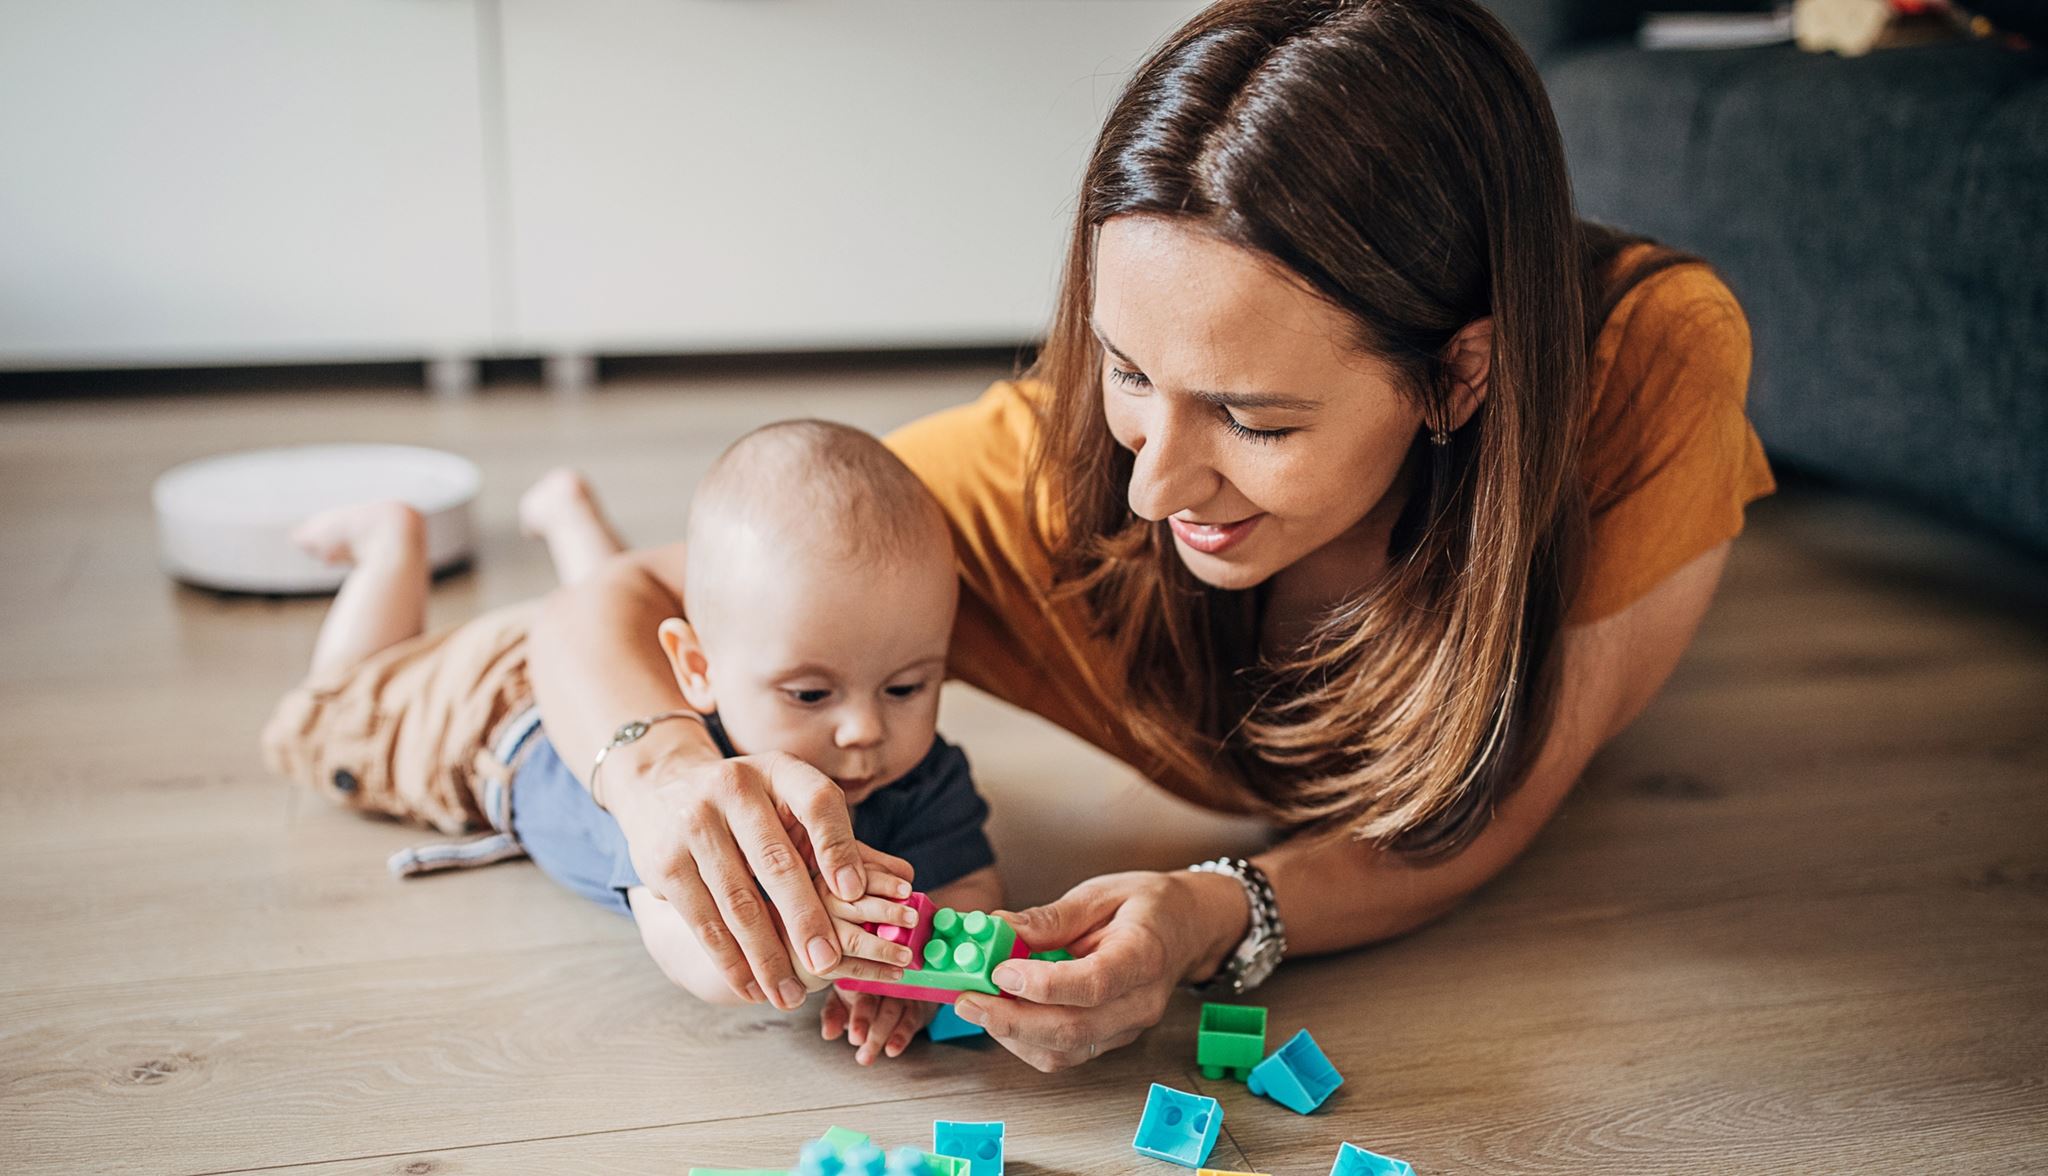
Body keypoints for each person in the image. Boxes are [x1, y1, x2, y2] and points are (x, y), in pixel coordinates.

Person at [524, 0, 1778, 1073]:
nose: (1150, 488)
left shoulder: (1644, 366)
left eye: (1249, 417)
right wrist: (658, 776)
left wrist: (1211, 913)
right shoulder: (1052, 480)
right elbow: (623, 605)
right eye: (1127, 370)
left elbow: (1492, 793)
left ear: (1459, 378)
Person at [260, 423, 1004, 1065]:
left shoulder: (921, 772)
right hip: (487, 718)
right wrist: (824, 952)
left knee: (624, 618)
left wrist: (910, 977)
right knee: (336, 708)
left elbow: (967, 885)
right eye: (811, 694)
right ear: (699, 672)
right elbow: (689, 948)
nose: (864, 730)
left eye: (906, 687)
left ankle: (568, 517)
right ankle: (391, 545)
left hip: (630, 661)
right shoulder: (694, 792)